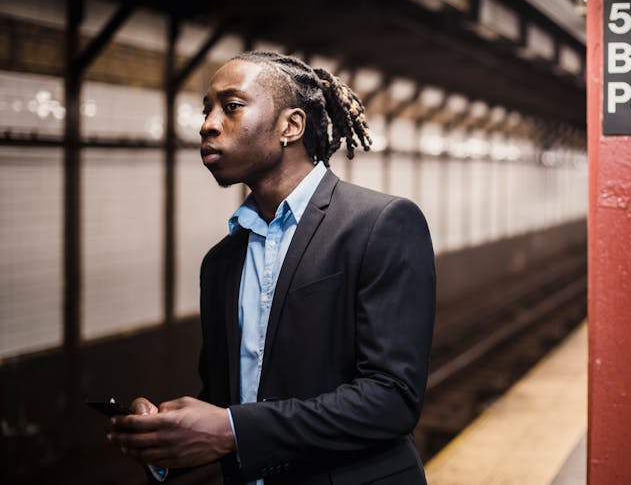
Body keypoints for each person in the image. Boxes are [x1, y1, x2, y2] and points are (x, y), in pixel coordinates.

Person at [106, 51, 436, 485]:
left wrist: (232, 429)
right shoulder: (221, 262)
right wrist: (169, 436)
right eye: (207, 109)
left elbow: (391, 399)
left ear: (291, 126)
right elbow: (235, 404)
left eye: (231, 106)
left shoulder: (380, 225)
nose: (207, 123)